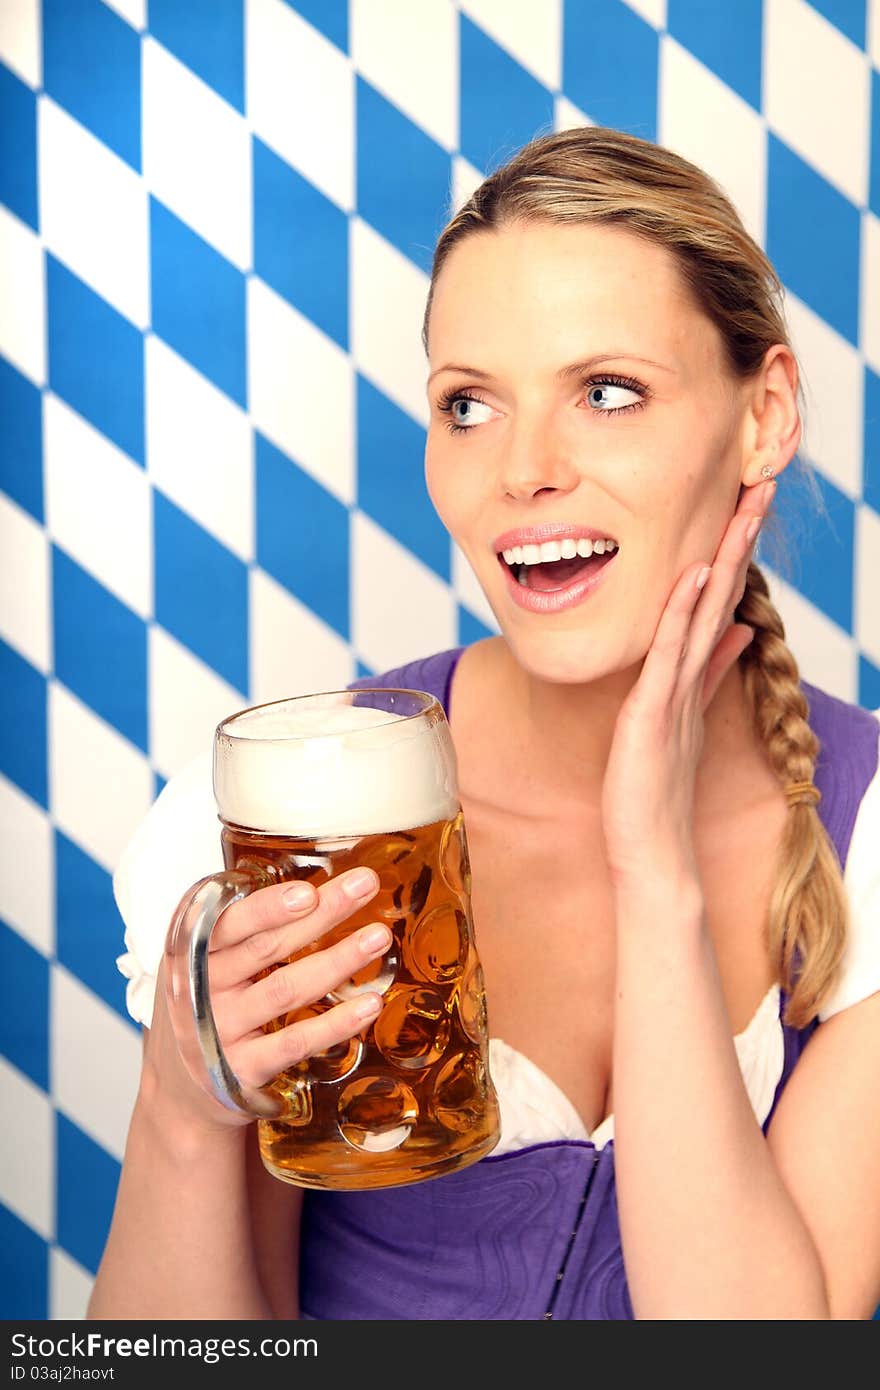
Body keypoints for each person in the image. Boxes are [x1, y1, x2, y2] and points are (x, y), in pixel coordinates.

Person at [88, 125, 880, 1321]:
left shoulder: (864, 833)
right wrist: (185, 1103)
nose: (522, 470)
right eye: (468, 406)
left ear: (763, 414)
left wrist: (650, 862)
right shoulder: (277, 812)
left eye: (606, 393)